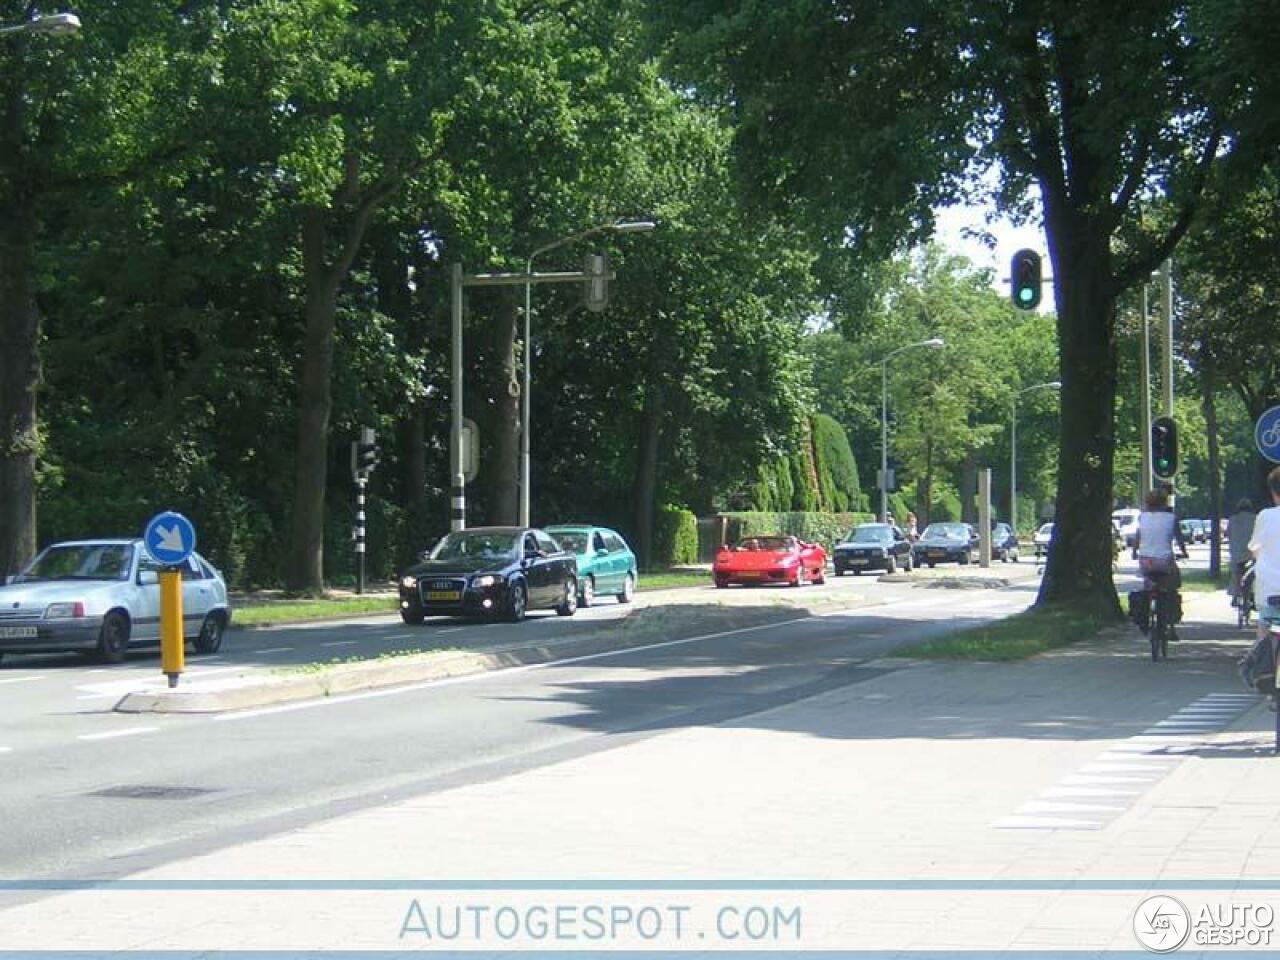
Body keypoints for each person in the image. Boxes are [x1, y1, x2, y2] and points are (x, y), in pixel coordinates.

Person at [1135, 487, 1188, 596]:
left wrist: (1134, 552)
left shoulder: (1142, 517)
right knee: (1174, 580)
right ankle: (1169, 605)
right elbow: (1179, 538)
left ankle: (1147, 598)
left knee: (1148, 578)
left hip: (1145, 561)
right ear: (1164, 502)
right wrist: (1184, 552)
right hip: (1164, 560)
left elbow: (1138, 536)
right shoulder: (1171, 518)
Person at [1249, 469, 1280, 641]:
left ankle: (1263, 661)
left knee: (1264, 625)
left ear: (1274, 493)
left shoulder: (1265, 516)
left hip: (1270, 590)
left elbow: (1254, 548)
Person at [1228, 498, 1257, 602]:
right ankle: (1253, 594)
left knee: (1235, 573)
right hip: (1252, 552)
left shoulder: (1232, 519)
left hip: (1237, 552)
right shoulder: (1256, 519)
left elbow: (1230, 536)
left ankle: (1235, 594)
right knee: (1255, 573)